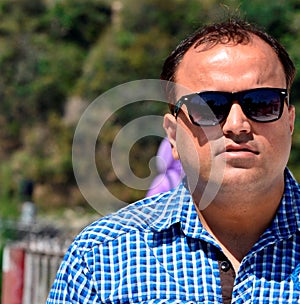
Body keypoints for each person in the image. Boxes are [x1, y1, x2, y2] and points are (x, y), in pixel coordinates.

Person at [47, 18, 300, 303]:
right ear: (173, 135)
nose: (236, 124)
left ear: (289, 121)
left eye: (262, 103)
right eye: (209, 107)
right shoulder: (100, 258)